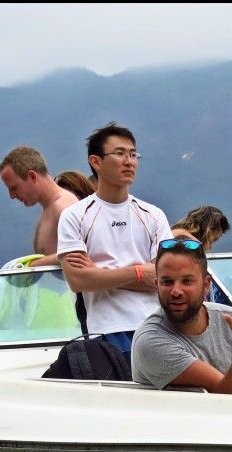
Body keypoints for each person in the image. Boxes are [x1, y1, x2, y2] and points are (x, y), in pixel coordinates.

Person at [56, 122, 173, 362]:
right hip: (105, 331)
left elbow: (164, 279)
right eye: (119, 153)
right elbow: (78, 281)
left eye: (133, 154)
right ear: (95, 162)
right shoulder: (75, 215)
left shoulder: (153, 215)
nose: (129, 161)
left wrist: (98, 275)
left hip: (157, 326)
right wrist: (141, 272)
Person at [131, 235, 232, 395]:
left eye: (187, 281)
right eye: (167, 282)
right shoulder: (151, 342)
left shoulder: (231, 320)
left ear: (206, 285)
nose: (176, 291)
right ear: (156, 284)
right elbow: (230, 400)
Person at [0, 146, 78, 268]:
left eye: (14, 188)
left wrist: (26, 266)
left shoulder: (64, 207)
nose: (12, 196)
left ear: (32, 176)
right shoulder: (47, 210)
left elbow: (79, 255)